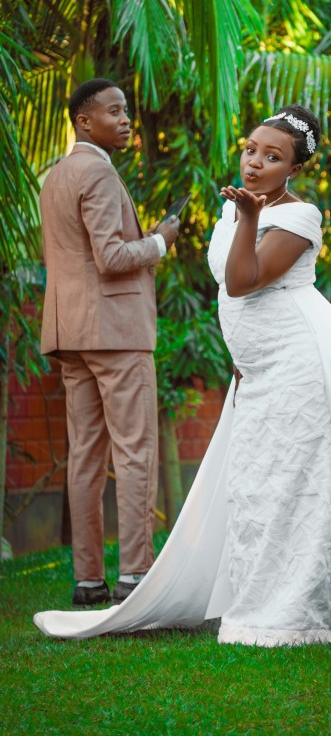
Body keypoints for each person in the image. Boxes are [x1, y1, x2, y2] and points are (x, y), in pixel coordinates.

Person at [34, 104, 331, 643]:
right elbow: (230, 292)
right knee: (259, 476)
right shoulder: (234, 209)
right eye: (251, 150)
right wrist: (241, 358)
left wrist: (249, 218)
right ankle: (262, 586)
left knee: (299, 475)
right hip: (258, 366)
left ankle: (307, 593)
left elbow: (243, 281)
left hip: (301, 358)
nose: (255, 162)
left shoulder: (299, 216)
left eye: (273, 157)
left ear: (294, 170)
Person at [39, 78, 179, 607]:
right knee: (136, 451)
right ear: (84, 120)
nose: (126, 120)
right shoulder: (96, 172)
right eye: (114, 111)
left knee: (86, 457)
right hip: (115, 333)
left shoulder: (57, 175)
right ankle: (136, 577)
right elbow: (111, 257)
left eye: (126, 111)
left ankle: (88, 580)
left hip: (69, 332)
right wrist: (161, 240)